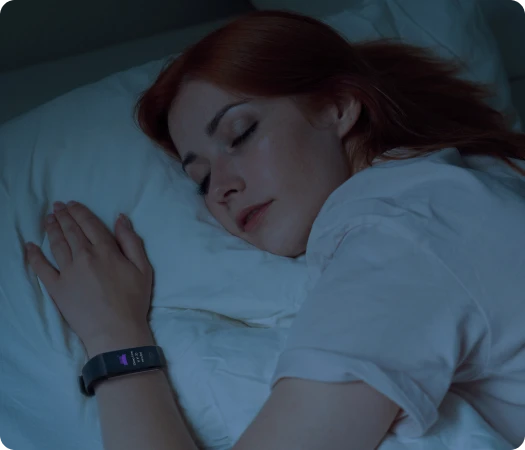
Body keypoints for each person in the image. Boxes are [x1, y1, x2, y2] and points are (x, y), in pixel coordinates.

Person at [24, 10, 525, 450]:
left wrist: (114, 338)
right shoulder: (456, 187)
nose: (222, 186)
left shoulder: (400, 234)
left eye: (240, 134)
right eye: (201, 180)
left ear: (338, 107)